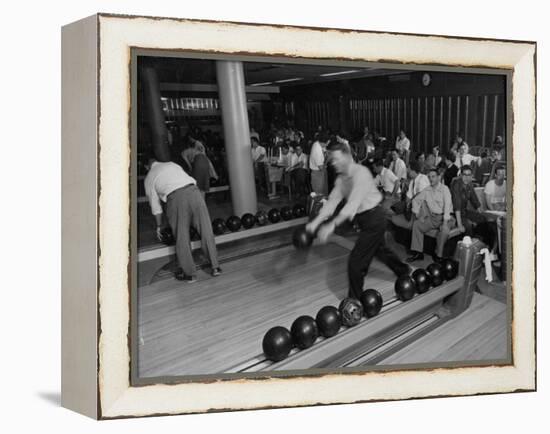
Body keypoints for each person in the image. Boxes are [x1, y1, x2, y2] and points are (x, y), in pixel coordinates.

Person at [305, 140, 410, 300]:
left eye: (337, 159)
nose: (334, 163)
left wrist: (331, 225)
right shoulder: (341, 180)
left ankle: (354, 301)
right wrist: (315, 222)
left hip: (375, 218)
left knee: (356, 262)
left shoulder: (360, 173)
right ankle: (403, 270)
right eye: (331, 159)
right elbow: (332, 202)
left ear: (347, 156)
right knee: (380, 250)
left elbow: (352, 204)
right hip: (365, 220)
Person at [144, 156, 221, 282]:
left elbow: (156, 207)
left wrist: (159, 226)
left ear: (147, 167)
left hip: (176, 198)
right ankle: (215, 267)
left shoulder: (149, 177)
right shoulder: (172, 164)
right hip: (194, 192)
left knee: (182, 236)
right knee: (206, 230)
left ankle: (190, 274)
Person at [406, 167, 453, 263]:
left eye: (433, 176)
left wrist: (444, 223)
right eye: (429, 177)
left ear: (438, 177)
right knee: (417, 225)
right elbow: (415, 200)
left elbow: (447, 207)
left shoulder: (445, 189)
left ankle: (438, 256)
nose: (431, 179)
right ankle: (418, 253)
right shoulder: (427, 190)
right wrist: (418, 214)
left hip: (446, 218)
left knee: (443, 231)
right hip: (432, 218)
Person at [391, 161, 430, 229]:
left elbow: (422, 196)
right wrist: (408, 203)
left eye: (409, 169)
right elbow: (408, 197)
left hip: (422, 210)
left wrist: (410, 202)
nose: (407, 171)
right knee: (394, 215)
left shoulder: (423, 178)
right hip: (412, 209)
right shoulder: (412, 181)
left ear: (413, 170)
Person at [450, 164, 486, 235]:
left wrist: (481, 212)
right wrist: (460, 225)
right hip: (454, 214)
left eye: (469, 175)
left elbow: (474, 199)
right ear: (460, 175)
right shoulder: (456, 184)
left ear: (471, 176)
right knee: (468, 225)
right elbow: (457, 206)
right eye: (464, 175)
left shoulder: (469, 184)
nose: (467, 177)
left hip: (464, 211)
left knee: (482, 219)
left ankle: (479, 241)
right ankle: (468, 243)